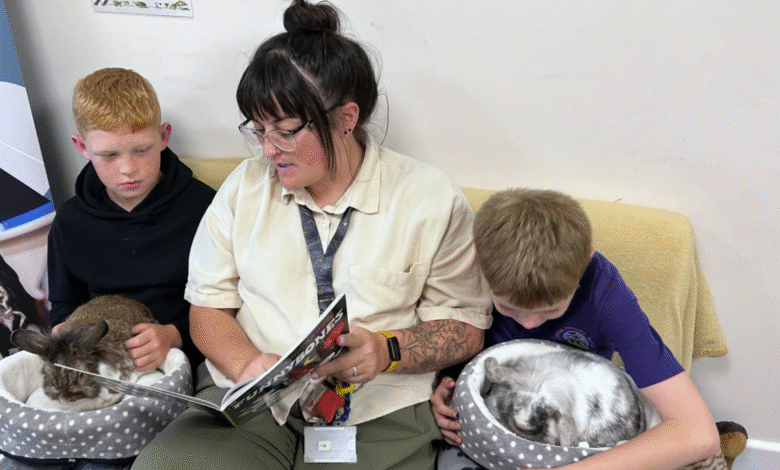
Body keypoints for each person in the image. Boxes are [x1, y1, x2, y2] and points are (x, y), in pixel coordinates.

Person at [131, 1, 492, 469]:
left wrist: (387, 349)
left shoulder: (430, 198)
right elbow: (208, 308)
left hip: (378, 410)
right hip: (253, 401)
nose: (267, 149)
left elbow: (465, 328)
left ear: (345, 118)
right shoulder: (246, 187)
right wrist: (247, 365)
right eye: (258, 129)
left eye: (284, 131)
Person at [431, 188, 721, 470]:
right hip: (492, 407)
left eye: (552, 311)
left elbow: (699, 434)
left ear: (585, 261)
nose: (529, 324)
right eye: (508, 308)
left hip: (573, 429)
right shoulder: (463, 270)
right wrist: (441, 385)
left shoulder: (608, 296)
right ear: (477, 256)